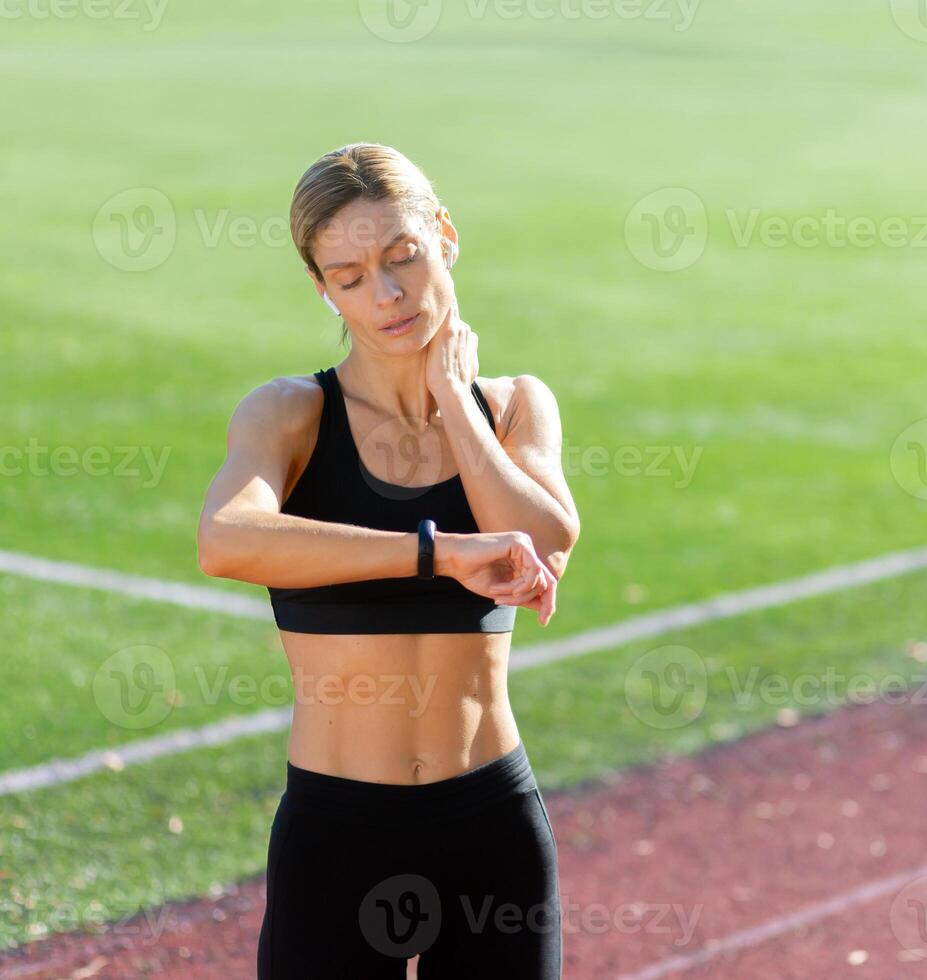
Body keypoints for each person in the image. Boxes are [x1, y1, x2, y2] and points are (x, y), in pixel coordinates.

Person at [196, 142, 578, 978]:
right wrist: (438, 555)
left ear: (443, 234)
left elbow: (543, 539)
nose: (389, 294)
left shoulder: (514, 405)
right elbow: (226, 539)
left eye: (402, 257)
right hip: (338, 835)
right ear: (323, 287)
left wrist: (454, 401)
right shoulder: (289, 414)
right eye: (352, 276)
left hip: (490, 826)